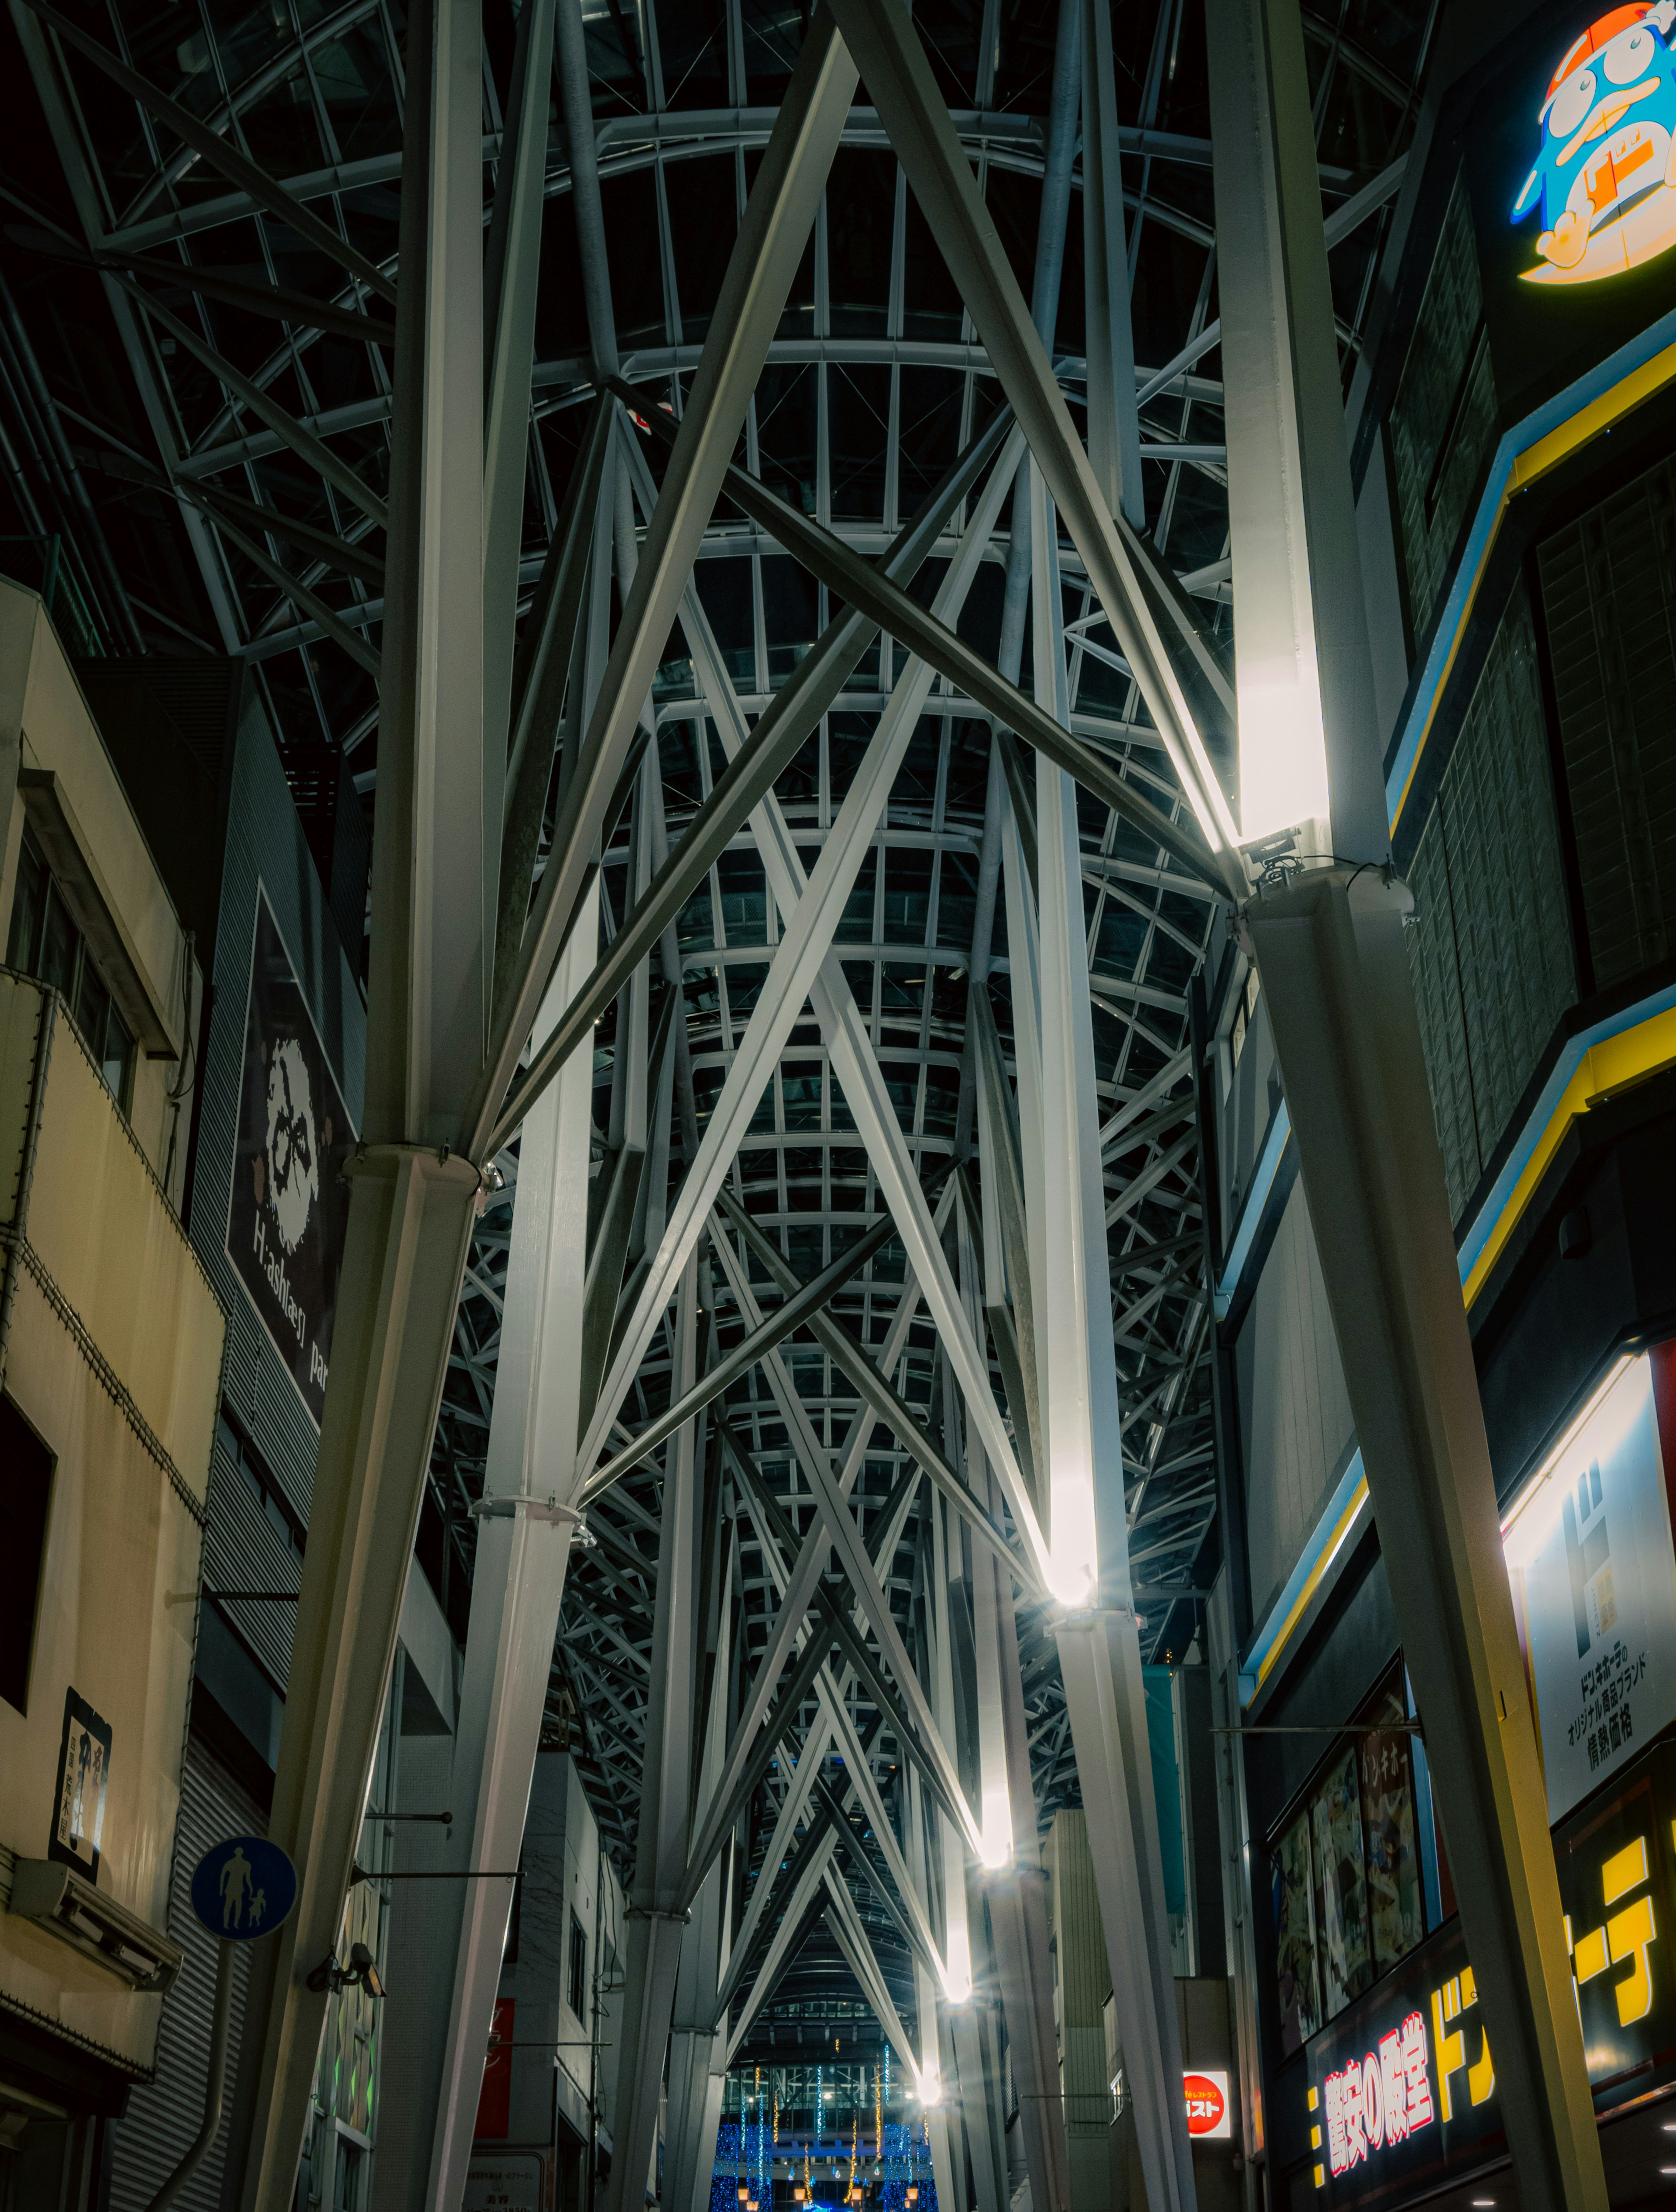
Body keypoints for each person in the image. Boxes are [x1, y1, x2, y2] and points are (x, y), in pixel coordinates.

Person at [220, 1845, 253, 1929]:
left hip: (238, 1888)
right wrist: (221, 1890)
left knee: (235, 1907)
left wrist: (251, 1889)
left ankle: (233, 1924)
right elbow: (223, 1876)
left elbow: (248, 1879)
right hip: (232, 1888)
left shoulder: (245, 1864)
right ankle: (227, 1925)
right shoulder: (233, 1863)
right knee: (231, 1907)